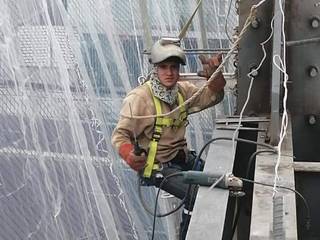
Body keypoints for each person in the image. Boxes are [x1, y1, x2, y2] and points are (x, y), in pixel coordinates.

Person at [111, 37, 226, 239]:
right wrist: (130, 154)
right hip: (158, 166)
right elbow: (120, 136)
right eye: (163, 67)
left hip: (181, 158)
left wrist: (216, 79)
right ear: (155, 69)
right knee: (196, 196)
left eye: (173, 67)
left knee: (217, 184)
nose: (169, 72)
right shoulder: (139, 98)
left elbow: (211, 97)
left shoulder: (181, 92)